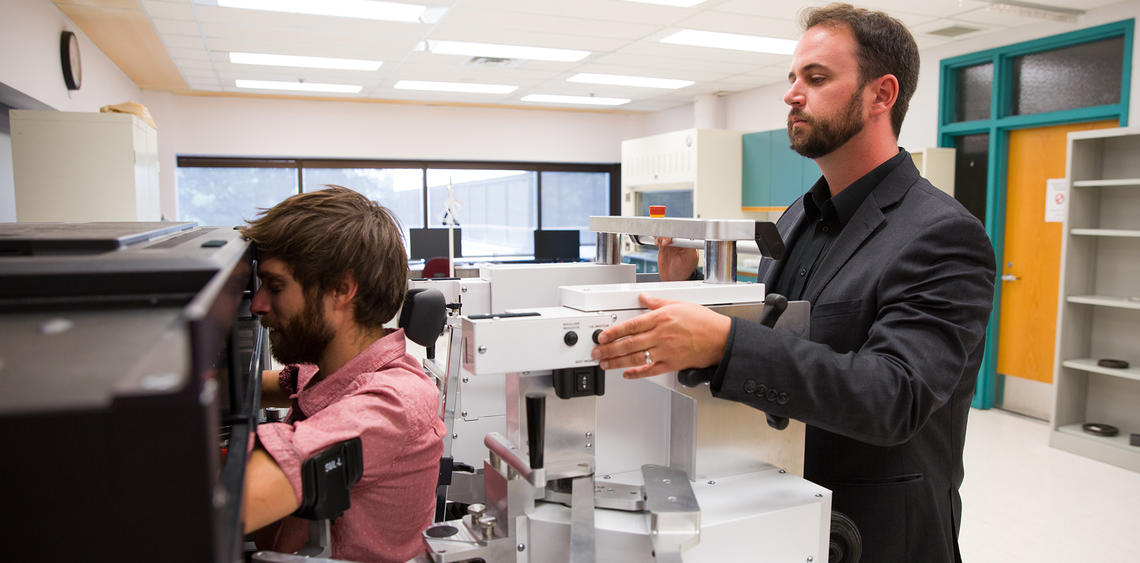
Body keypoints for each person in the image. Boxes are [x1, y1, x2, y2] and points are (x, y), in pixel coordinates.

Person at [592, 4, 996, 562]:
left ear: (882, 95)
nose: (791, 94)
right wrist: (692, 287)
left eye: (817, 77)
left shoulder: (942, 234)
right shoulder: (795, 218)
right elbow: (783, 333)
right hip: (777, 503)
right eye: (793, 77)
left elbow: (894, 396)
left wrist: (724, 342)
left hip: (875, 532)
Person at [239, 186, 445, 562]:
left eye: (276, 285)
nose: (258, 305)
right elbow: (258, 388)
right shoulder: (329, 371)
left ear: (341, 290)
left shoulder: (389, 403)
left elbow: (234, 503)